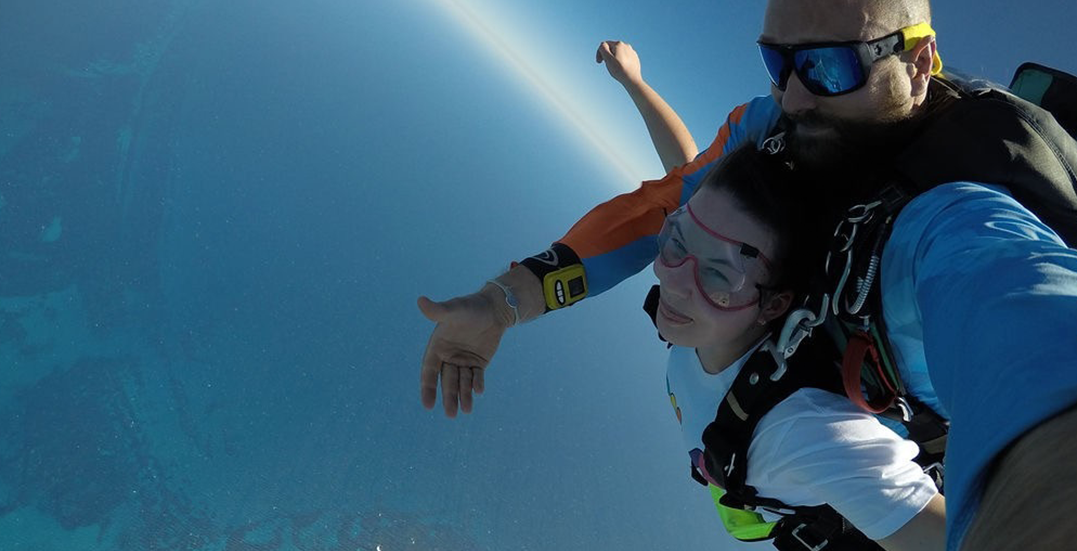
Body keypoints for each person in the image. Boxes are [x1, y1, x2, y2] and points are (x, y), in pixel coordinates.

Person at [417, 1, 1077, 549]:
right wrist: (501, 303)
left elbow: (1029, 327)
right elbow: (672, 195)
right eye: (777, 62)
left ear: (918, 61)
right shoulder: (772, 130)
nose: (794, 95)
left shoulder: (957, 224)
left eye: (827, 64)